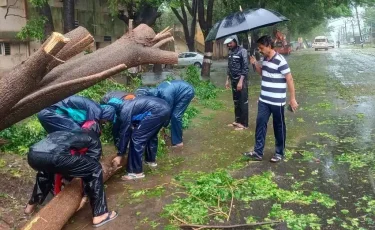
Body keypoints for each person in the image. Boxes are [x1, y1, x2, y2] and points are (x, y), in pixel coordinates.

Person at [24, 124, 118, 227]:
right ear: (98, 132)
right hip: (55, 156)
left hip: (33, 155)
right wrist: (85, 195)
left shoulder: (66, 131)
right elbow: (89, 169)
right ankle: (100, 215)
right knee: (95, 169)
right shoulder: (93, 137)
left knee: (45, 172)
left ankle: (30, 207)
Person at [245, 35, 298, 163]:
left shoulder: (280, 60)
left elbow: (289, 79)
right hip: (264, 100)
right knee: (260, 124)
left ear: (269, 46)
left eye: (261, 47)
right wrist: (255, 64)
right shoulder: (265, 59)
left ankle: (279, 153)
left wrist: (292, 98)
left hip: (277, 101)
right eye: (259, 48)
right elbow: (263, 73)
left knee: (278, 126)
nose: (260, 50)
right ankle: (258, 152)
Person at [111, 96, 171, 180]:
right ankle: (150, 161)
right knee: (150, 134)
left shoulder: (124, 111)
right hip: (165, 107)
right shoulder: (127, 104)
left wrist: (120, 154)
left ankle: (136, 172)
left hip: (156, 111)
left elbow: (124, 133)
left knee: (136, 138)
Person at [135, 80, 195, 147]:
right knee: (172, 114)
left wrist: (163, 125)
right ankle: (178, 135)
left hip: (187, 92)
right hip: (178, 91)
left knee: (175, 116)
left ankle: (179, 142)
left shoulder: (165, 95)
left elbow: (167, 113)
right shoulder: (156, 91)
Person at [37, 95, 116, 134]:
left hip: (46, 112)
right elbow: (89, 129)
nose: (105, 122)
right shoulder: (97, 110)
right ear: (106, 114)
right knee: (78, 135)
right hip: (51, 112)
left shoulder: (92, 108)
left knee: (61, 139)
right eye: (107, 120)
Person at [224, 35, 249, 131]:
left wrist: (241, 81)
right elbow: (229, 67)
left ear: (236, 41)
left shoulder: (243, 51)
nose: (229, 45)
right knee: (236, 101)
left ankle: (244, 124)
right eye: (228, 43)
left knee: (243, 101)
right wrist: (227, 79)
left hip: (241, 81)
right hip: (233, 80)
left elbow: (245, 67)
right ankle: (237, 121)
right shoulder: (230, 52)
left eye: (230, 43)